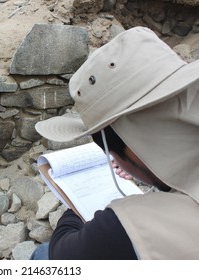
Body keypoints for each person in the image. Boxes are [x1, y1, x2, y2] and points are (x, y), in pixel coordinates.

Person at [31, 26, 199, 260]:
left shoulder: (123, 228)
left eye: (112, 153)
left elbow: (63, 254)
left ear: (131, 149)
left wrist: (73, 205)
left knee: (42, 255)